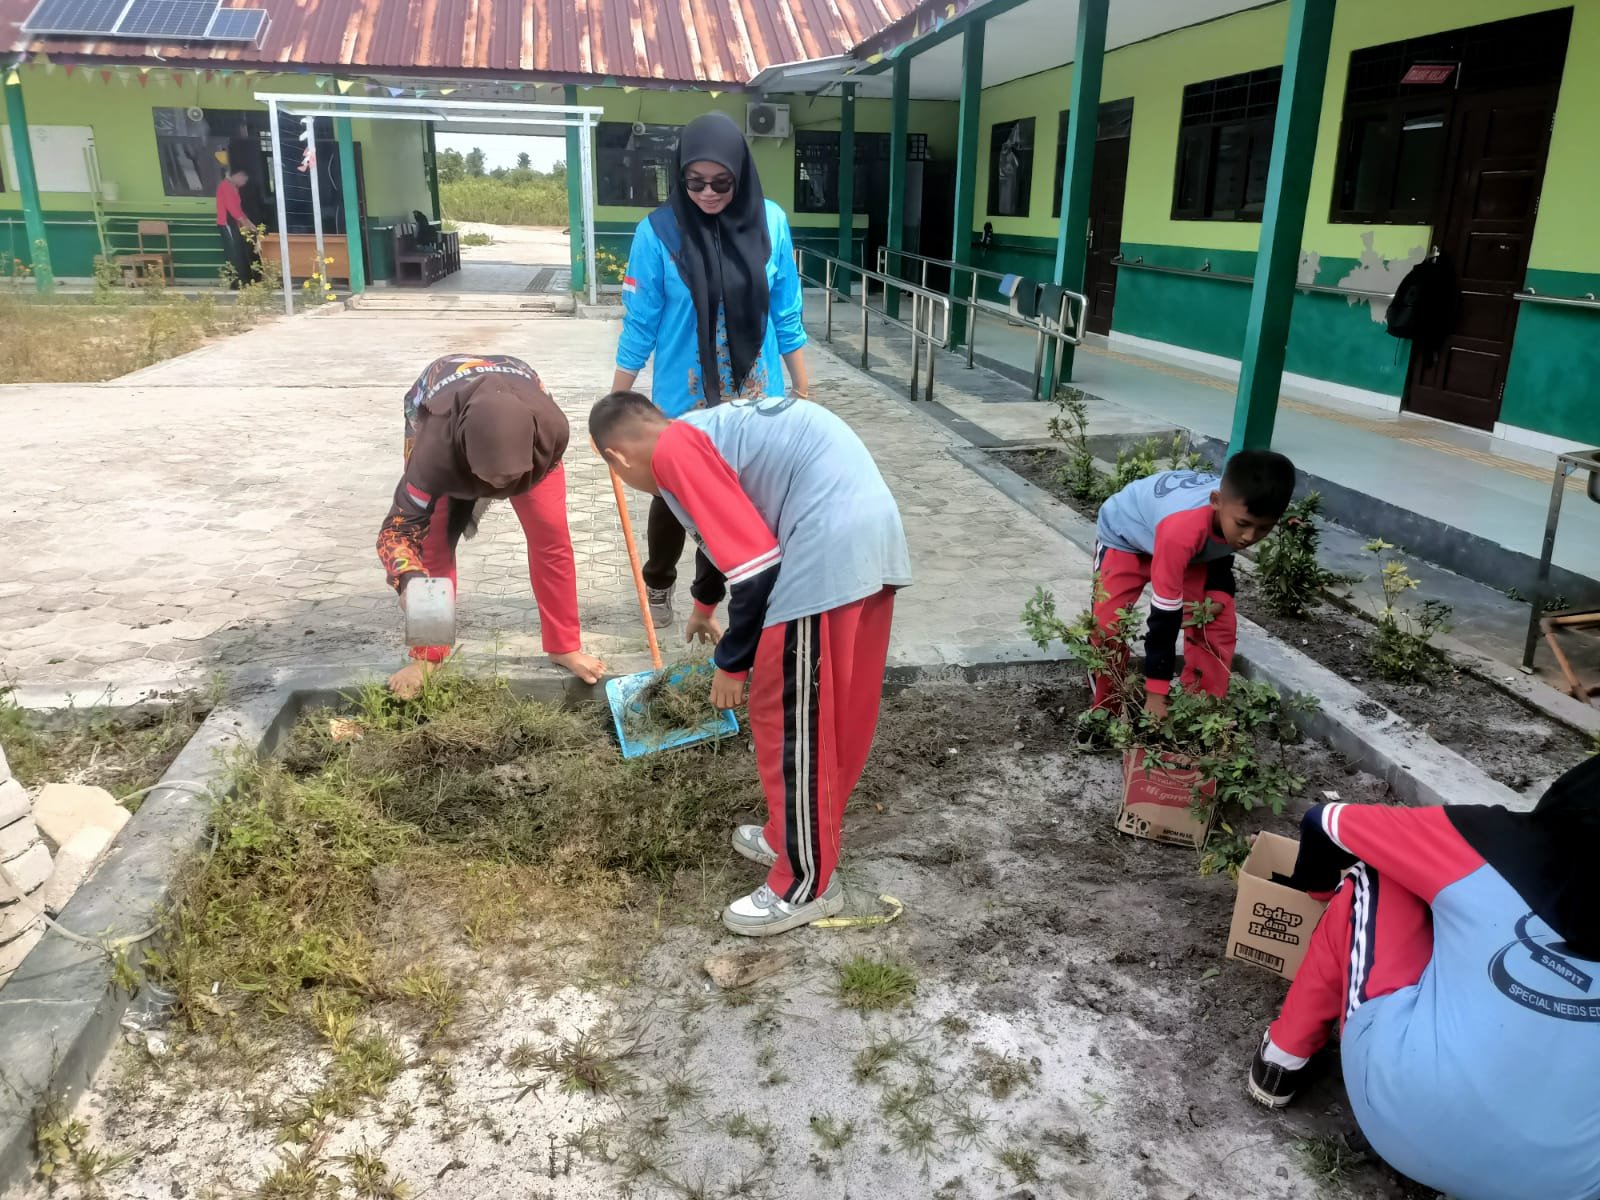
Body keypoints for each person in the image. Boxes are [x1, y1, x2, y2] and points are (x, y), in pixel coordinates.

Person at [589, 391, 910, 936]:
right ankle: (796, 835)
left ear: (616, 459)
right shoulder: (698, 431)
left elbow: (758, 571)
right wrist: (703, 607)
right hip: (867, 537)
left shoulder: (672, 451)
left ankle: (805, 882)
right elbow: (720, 533)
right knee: (830, 714)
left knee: (788, 718)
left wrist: (731, 663)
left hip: (821, 550)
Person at [1247, 757, 1600, 1200]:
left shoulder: (1490, 840)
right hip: (1568, 1185)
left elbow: (1323, 821)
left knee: (1374, 873)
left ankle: (1281, 1060)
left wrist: (1315, 894)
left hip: (1409, 1125)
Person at [610, 111, 810, 631]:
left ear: (740, 174)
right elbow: (641, 321)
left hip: (754, 397)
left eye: (721, 182)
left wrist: (802, 385)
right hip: (684, 398)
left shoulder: (772, 223)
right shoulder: (657, 232)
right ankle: (658, 582)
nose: (708, 193)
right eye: (694, 182)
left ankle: (707, 599)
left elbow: (786, 308)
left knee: (729, 502)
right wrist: (616, 403)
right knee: (672, 499)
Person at [378, 355, 606, 697]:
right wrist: (408, 579)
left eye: (508, 479)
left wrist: (511, 473)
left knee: (551, 537)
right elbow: (399, 530)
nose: (496, 492)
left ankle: (564, 645)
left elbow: (552, 548)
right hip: (438, 407)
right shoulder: (432, 452)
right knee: (435, 543)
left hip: (524, 407)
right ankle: (428, 655)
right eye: (488, 479)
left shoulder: (551, 431)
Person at [1090, 451, 1296, 720]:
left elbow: (1219, 555)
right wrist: (1155, 695)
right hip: (1126, 534)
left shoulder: (1231, 513)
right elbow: (1163, 618)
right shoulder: (1182, 530)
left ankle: (1201, 714)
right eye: (1243, 525)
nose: (1249, 537)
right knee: (1106, 629)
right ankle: (1106, 712)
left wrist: (1219, 596)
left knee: (1216, 621)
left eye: (1263, 529)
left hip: (1187, 544)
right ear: (1216, 502)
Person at [216, 166, 257, 289]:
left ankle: (244, 281)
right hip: (227, 223)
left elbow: (239, 211)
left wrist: (250, 224)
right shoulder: (226, 186)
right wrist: (247, 226)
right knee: (234, 254)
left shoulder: (234, 188)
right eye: (243, 178)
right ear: (235, 175)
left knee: (239, 252)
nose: (244, 182)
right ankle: (236, 283)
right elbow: (234, 211)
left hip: (234, 224)